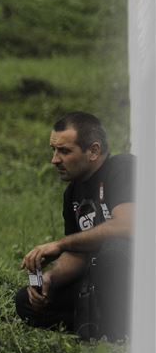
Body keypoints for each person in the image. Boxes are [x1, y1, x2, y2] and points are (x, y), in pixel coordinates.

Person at [16, 112, 135, 339]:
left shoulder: (122, 168)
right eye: (54, 150)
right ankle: (97, 324)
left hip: (138, 274)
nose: (54, 159)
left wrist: (59, 244)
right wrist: (50, 279)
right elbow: (79, 253)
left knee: (114, 252)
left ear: (93, 151)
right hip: (100, 279)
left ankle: (117, 329)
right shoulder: (72, 194)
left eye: (64, 151)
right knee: (25, 302)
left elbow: (127, 226)